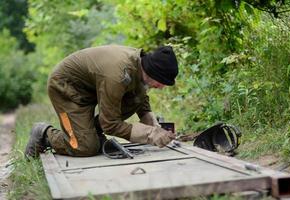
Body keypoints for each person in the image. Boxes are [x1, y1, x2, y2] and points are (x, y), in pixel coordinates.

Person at [25, 45, 178, 158]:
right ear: (152, 72)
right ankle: (44, 133)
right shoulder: (118, 75)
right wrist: (151, 134)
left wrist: (155, 127)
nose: (162, 87)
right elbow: (110, 124)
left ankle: (91, 134)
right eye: (162, 82)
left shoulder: (139, 66)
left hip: (92, 88)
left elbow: (140, 99)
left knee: (135, 99)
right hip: (66, 88)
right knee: (84, 148)